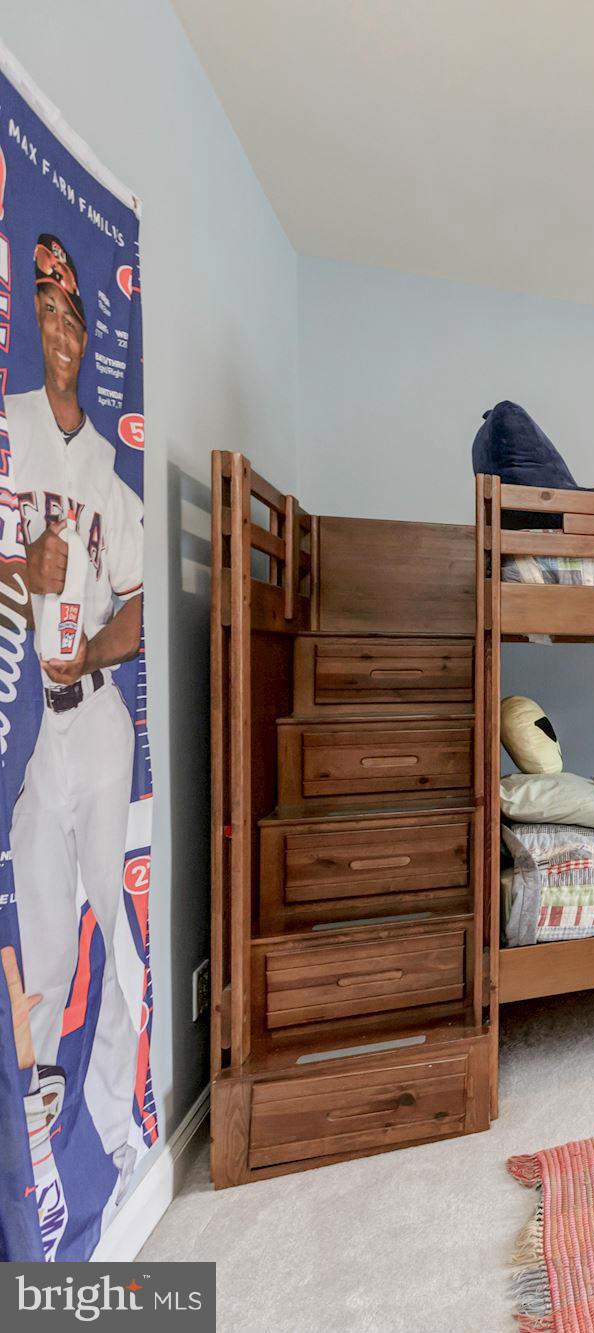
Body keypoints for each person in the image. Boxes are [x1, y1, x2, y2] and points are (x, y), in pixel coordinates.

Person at [4, 233, 146, 1200]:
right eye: (47, 312)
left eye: (74, 318)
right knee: (44, 929)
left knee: (121, 924)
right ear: (32, 325)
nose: (61, 330)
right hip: (26, 723)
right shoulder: (7, 431)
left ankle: (120, 1118)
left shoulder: (108, 471)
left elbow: (133, 607)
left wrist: (93, 646)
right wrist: (24, 569)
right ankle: (41, 1132)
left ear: (90, 341)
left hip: (95, 713)